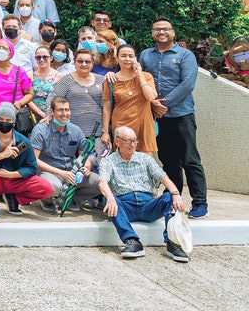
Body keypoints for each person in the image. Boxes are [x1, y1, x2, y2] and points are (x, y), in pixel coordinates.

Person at [139, 18, 208, 219]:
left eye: (166, 29)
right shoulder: (145, 55)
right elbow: (141, 80)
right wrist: (154, 105)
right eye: (157, 29)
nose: (162, 32)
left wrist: (165, 103)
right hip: (157, 117)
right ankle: (172, 198)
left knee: (190, 159)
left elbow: (187, 84)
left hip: (181, 114)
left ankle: (200, 203)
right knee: (168, 160)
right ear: (152, 33)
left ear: (173, 32)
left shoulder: (185, 55)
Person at [98, 125, 190, 262]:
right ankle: (132, 241)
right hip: (125, 206)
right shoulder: (108, 161)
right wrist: (110, 198)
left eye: (135, 140)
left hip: (148, 206)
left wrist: (176, 194)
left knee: (169, 197)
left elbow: (163, 177)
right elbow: (102, 182)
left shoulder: (145, 159)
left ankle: (173, 243)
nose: (133, 144)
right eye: (129, 140)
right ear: (117, 142)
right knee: (108, 199)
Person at [0, 102, 53, 213]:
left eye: (8, 120)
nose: (4, 122)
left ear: (14, 122)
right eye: (1, 119)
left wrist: (10, 174)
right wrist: (2, 155)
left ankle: (15, 199)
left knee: (46, 188)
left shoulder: (23, 142)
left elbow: (32, 167)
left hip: (14, 179)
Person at [31, 96, 101, 210]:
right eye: (60, 110)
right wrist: (61, 173)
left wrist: (86, 166)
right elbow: (34, 160)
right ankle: (46, 200)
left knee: (99, 182)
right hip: (48, 172)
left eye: (67, 110)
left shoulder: (76, 130)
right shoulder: (41, 130)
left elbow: (84, 154)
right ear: (52, 112)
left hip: (71, 172)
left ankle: (69, 200)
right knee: (55, 186)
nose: (64, 113)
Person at [102, 43, 158, 154]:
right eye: (123, 56)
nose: (127, 59)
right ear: (116, 57)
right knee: (123, 158)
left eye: (130, 56)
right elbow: (107, 107)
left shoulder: (146, 76)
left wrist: (140, 76)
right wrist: (105, 132)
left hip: (143, 123)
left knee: (145, 159)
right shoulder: (111, 79)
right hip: (121, 123)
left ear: (135, 58)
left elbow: (151, 97)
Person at [49, 47, 106, 146]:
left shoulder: (101, 80)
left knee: (95, 161)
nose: (84, 64)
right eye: (80, 61)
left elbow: (107, 106)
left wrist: (106, 131)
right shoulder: (67, 80)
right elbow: (53, 97)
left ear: (92, 64)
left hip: (97, 132)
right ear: (74, 62)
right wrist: (49, 115)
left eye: (87, 61)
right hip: (73, 131)